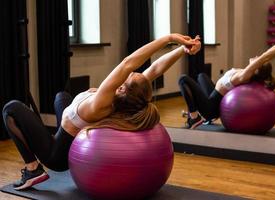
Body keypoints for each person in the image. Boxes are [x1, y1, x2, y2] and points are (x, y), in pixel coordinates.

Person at [2, 33, 201, 190]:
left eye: (132, 77)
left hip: (57, 155)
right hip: (70, 129)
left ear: (123, 88)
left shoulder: (104, 100)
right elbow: (156, 69)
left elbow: (128, 62)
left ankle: (32, 169)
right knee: (61, 96)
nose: (134, 73)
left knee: (11, 109)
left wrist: (168, 39)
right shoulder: (126, 96)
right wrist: (182, 50)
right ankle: (55, 137)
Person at [179, 36, 275, 129]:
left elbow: (265, 56)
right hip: (213, 95)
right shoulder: (248, 72)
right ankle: (203, 116)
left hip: (212, 108)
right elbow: (267, 56)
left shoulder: (245, 75)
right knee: (201, 76)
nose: (257, 56)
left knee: (183, 79)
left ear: (256, 67)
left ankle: (194, 117)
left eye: (258, 59)